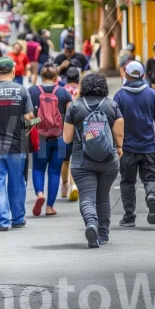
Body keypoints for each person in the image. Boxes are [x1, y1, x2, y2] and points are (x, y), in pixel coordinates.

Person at [63, 73, 123, 248]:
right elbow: (119, 134)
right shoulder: (112, 106)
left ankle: (91, 224)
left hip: (82, 161)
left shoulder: (75, 107)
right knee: (103, 197)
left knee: (87, 197)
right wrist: (119, 148)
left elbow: (66, 138)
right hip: (109, 159)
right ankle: (103, 234)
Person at [0, 57, 34, 231]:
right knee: (17, 182)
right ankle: (17, 218)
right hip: (17, 144)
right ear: (13, 70)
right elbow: (29, 118)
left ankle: (3, 220)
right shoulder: (21, 90)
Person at [114, 61, 155, 227]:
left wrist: (116, 146)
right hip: (148, 147)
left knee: (128, 182)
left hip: (127, 149)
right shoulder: (152, 95)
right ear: (143, 75)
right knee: (151, 178)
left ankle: (129, 217)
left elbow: (115, 124)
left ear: (127, 75)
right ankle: (151, 195)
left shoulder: (119, 96)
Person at [28, 63, 72, 216]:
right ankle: (49, 207)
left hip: (40, 138)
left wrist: (35, 124)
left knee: (39, 169)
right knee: (54, 172)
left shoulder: (32, 91)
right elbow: (71, 114)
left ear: (41, 76)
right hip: (59, 138)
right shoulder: (63, 92)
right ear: (56, 77)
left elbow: (27, 116)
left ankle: (40, 194)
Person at [61, 67, 80, 201]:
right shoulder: (82, 90)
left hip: (64, 128)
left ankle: (64, 186)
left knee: (65, 160)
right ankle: (74, 185)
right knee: (76, 158)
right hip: (79, 128)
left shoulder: (62, 91)